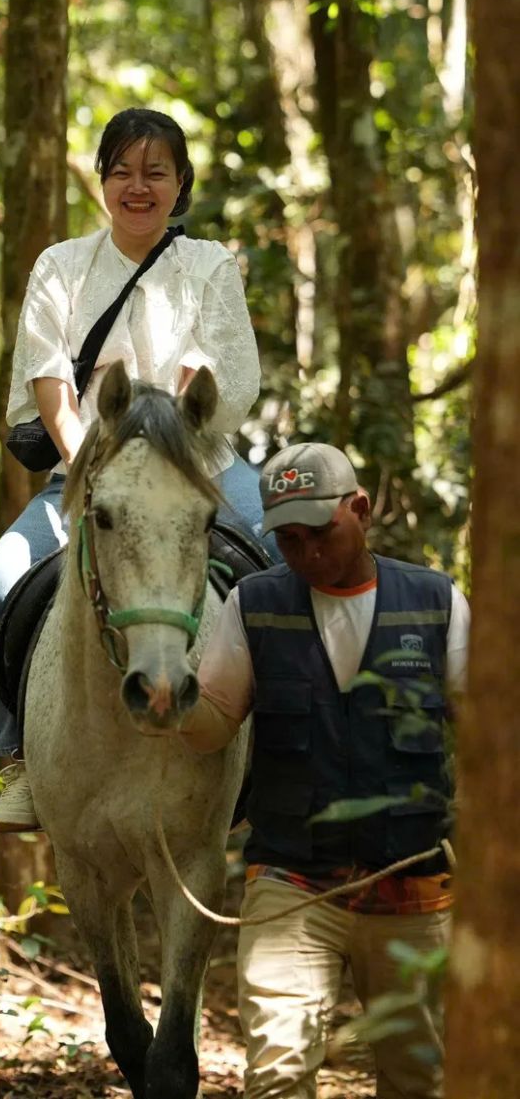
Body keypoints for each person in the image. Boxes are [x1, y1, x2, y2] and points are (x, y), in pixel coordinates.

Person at [0, 107, 266, 833]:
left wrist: (186, 415)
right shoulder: (61, 267)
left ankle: (293, 755)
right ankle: (20, 760)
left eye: (155, 171)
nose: (139, 185)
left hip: (199, 469)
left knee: (281, 562)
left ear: (180, 183)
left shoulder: (208, 266)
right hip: (88, 470)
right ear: (101, 179)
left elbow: (223, 375)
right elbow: (48, 386)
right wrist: (92, 478)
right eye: (123, 169)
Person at [183, 442, 470, 1099]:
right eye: (288, 540)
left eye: (321, 533)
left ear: (360, 509)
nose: (307, 553)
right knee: (277, 1075)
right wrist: (167, 704)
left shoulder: (435, 603)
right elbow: (211, 725)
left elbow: (490, 732)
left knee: (416, 1078)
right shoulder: (253, 603)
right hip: (292, 884)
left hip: (414, 889)